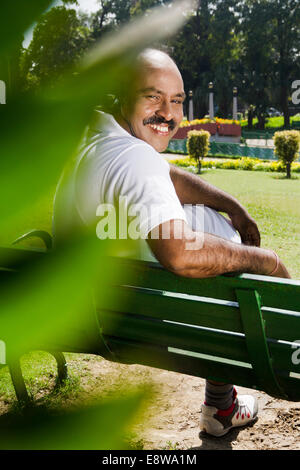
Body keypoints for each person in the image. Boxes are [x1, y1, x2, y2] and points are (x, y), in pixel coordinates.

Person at [53, 48, 290, 438]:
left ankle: (221, 400)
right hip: (155, 323)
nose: (168, 113)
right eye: (152, 97)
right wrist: (265, 260)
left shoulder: (91, 139)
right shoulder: (134, 160)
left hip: (91, 315)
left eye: (176, 100)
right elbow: (179, 255)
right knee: (211, 256)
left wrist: (231, 205)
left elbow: (161, 173)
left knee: (197, 227)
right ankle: (222, 403)